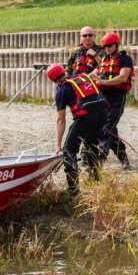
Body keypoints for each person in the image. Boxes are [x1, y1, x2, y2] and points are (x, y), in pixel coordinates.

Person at [47, 64, 108, 196]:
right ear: (64, 72)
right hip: (103, 114)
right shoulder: (82, 77)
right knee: (91, 145)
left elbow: (61, 120)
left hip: (86, 117)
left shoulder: (62, 91)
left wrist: (58, 144)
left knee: (69, 150)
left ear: (52, 79)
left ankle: (74, 191)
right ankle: (96, 180)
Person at [91, 32, 134, 169]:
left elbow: (123, 77)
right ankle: (124, 160)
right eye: (105, 46)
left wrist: (103, 82)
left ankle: (100, 159)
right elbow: (92, 74)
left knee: (107, 126)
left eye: (110, 45)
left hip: (117, 97)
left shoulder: (125, 59)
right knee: (111, 131)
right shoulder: (104, 60)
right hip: (104, 97)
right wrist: (76, 80)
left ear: (116, 44)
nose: (107, 48)